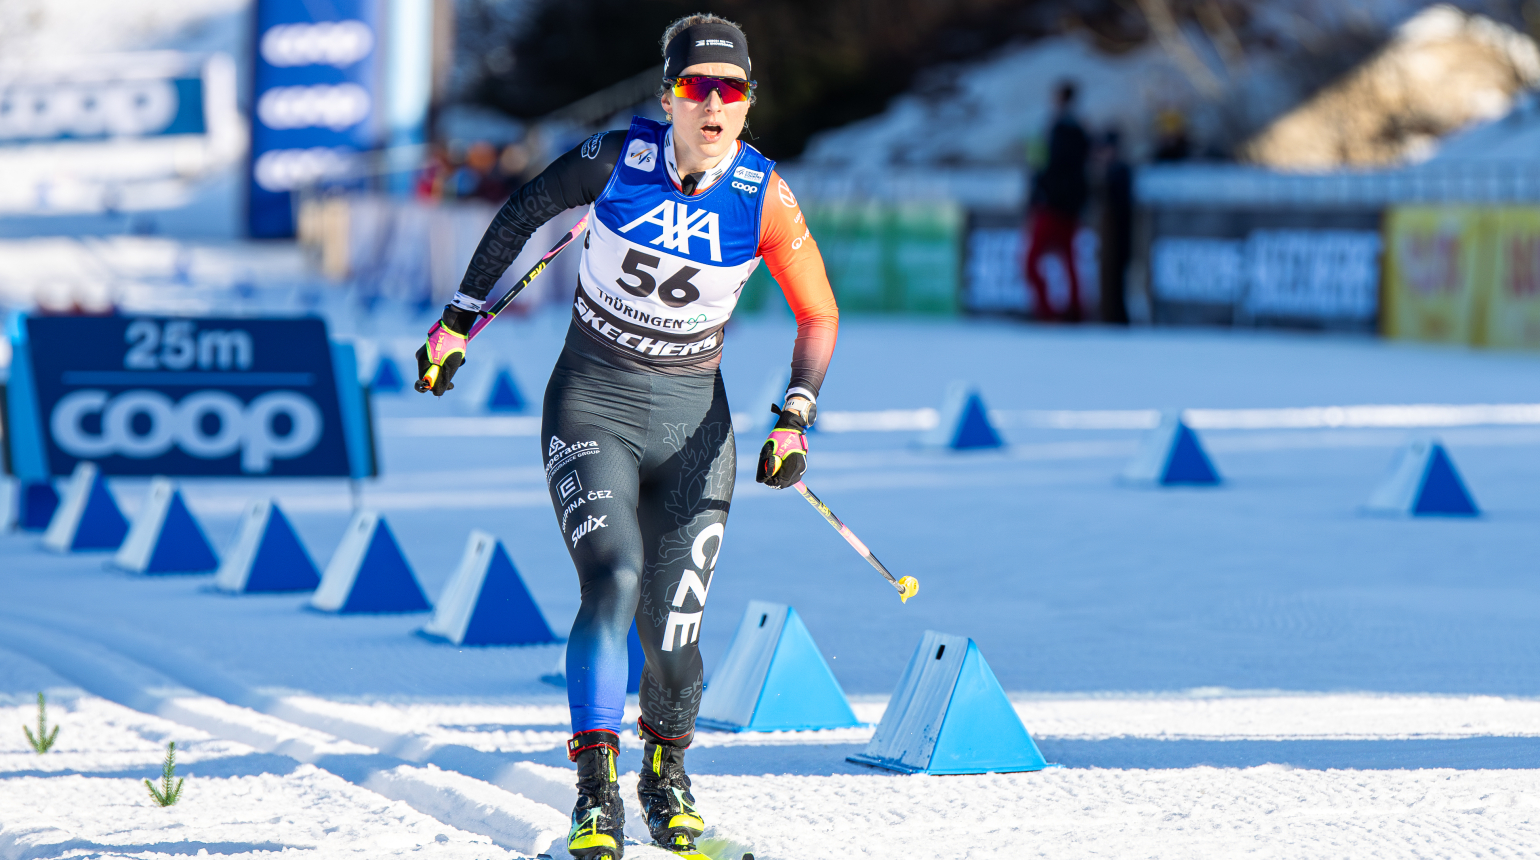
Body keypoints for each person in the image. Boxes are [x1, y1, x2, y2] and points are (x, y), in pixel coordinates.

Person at [415, 14, 838, 860]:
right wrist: (458, 320)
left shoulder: (764, 196)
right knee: (611, 581)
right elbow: (523, 211)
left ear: (748, 103)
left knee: (674, 640)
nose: (713, 105)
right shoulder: (618, 158)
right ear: (668, 97)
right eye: (696, 88)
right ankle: (595, 789)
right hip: (593, 403)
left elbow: (818, 313)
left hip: (693, 428)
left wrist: (795, 416)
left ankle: (666, 777)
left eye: (731, 91)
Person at [1024, 79, 1090, 322]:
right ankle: (1072, 310)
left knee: (1033, 262)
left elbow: (1047, 167)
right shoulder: (1077, 129)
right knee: (1068, 262)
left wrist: (1040, 194)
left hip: (1053, 207)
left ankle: (1049, 312)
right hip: (1067, 207)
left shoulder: (1060, 130)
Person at [1097, 128, 1132, 325]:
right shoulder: (1112, 170)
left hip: (1120, 236)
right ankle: (1111, 316)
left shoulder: (1119, 171)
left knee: (1118, 279)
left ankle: (1117, 318)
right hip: (1113, 237)